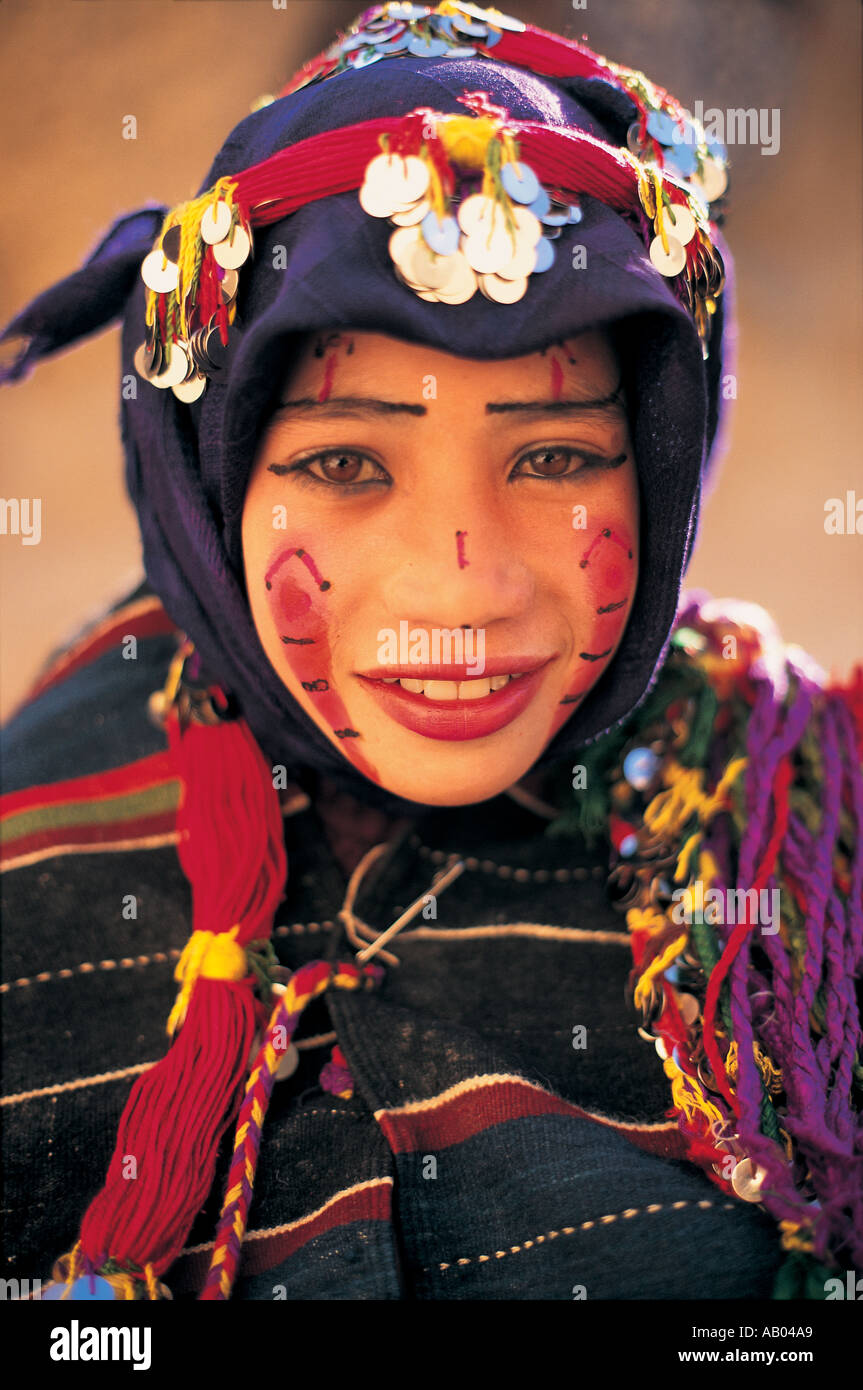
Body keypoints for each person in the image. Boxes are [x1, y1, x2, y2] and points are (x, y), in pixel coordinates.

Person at [1, 1, 860, 1303]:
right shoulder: (41, 815)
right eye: (346, 463)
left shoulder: (799, 824)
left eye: (557, 456)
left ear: (664, 461)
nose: (465, 576)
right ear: (209, 481)